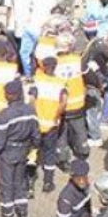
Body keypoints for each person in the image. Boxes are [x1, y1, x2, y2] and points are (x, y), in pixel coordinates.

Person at [0, 80, 39, 217]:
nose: (5, 96)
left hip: (8, 154)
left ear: (13, 95)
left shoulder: (5, 115)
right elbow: (36, 135)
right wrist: (32, 148)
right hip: (23, 152)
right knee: (20, 185)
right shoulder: (30, 111)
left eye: (7, 94)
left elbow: (0, 140)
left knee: (7, 187)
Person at [30, 57, 67, 193]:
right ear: (56, 67)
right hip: (52, 125)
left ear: (44, 67)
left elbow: (32, 100)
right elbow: (63, 102)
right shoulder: (60, 83)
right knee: (49, 153)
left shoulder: (37, 81)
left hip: (38, 123)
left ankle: (30, 182)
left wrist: (34, 116)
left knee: (33, 151)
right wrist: (56, 116)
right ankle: (48, 182)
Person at [55, 33, 90, 171]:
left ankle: (62, 159)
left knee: (61, 134)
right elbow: (90, 77)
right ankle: (82, 152)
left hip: (61, 107)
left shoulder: (53, 63)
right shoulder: (78, 60)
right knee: (80, 130)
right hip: (77, 106)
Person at [19, 0, 56, 78]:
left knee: (39, 55)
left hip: (40, 30)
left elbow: (52, 13)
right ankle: (28, 75)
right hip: (29, 28)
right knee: (25, 54)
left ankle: (41, 75)